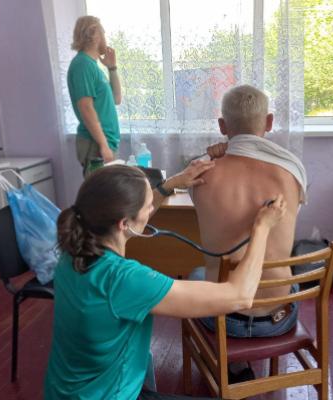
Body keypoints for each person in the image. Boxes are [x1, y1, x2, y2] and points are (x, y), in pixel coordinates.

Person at [43, 161, 288, 400]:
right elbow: (240, 295)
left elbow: (130, 222)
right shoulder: (126, 280)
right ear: (124, 224)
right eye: (149, 206)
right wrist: (262, 228)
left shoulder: (74, 250)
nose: (152, 211)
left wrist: (169, 186)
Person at [189, 85, 307, 379]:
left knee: (194, 274)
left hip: (224, 319)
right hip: (278, 317)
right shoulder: (293, 173)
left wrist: (216, 154)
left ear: (221, 126)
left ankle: (231, 364)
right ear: (268, 122)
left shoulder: (200, 175)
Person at [68, 16, 122, 177]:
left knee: (108, 198)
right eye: (103, 33)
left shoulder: (92, 66)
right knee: (100, 199)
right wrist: (103, 144)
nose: (105, 37)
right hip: (96, 144)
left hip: (104, 142)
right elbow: (86, 107)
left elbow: (117, 99)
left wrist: (112, 68)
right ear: (94, 34)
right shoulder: (82, 65)